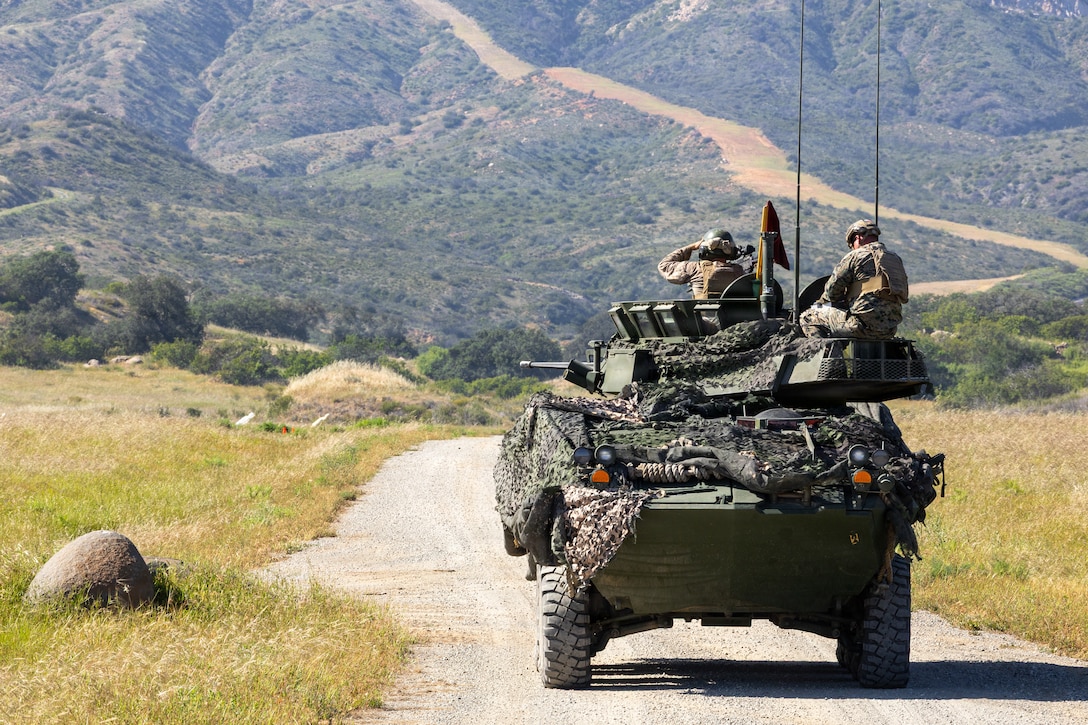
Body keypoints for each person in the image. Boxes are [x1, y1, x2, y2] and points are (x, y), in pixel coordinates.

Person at [800, 219, 909, 339]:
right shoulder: (895, 259)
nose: (852, 248)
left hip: (860, 327)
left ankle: (825, 352)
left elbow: (831, 292)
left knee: (808, 317)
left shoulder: (855, 256)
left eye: (852, 243)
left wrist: (821, 303)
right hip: (889, 331)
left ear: (858, 238)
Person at [658, 228, 755, 299]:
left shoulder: (694, 268)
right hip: (734, 323)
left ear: (703, 250)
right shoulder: (740, 271)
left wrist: (691, 247)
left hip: (704, 323)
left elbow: (664, 265)